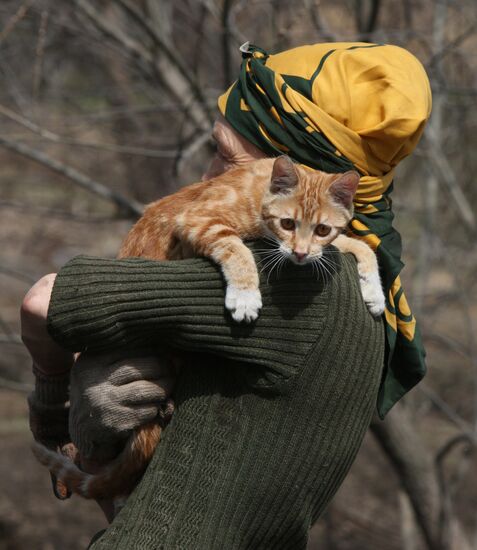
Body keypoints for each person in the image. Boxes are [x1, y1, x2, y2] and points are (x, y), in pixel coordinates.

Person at [21, 42, 431, 549]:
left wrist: (52, 404)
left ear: (289, 174)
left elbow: (44, 301)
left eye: (225, 156)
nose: (207, 176)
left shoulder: (289, 278)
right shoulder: (364, 282)